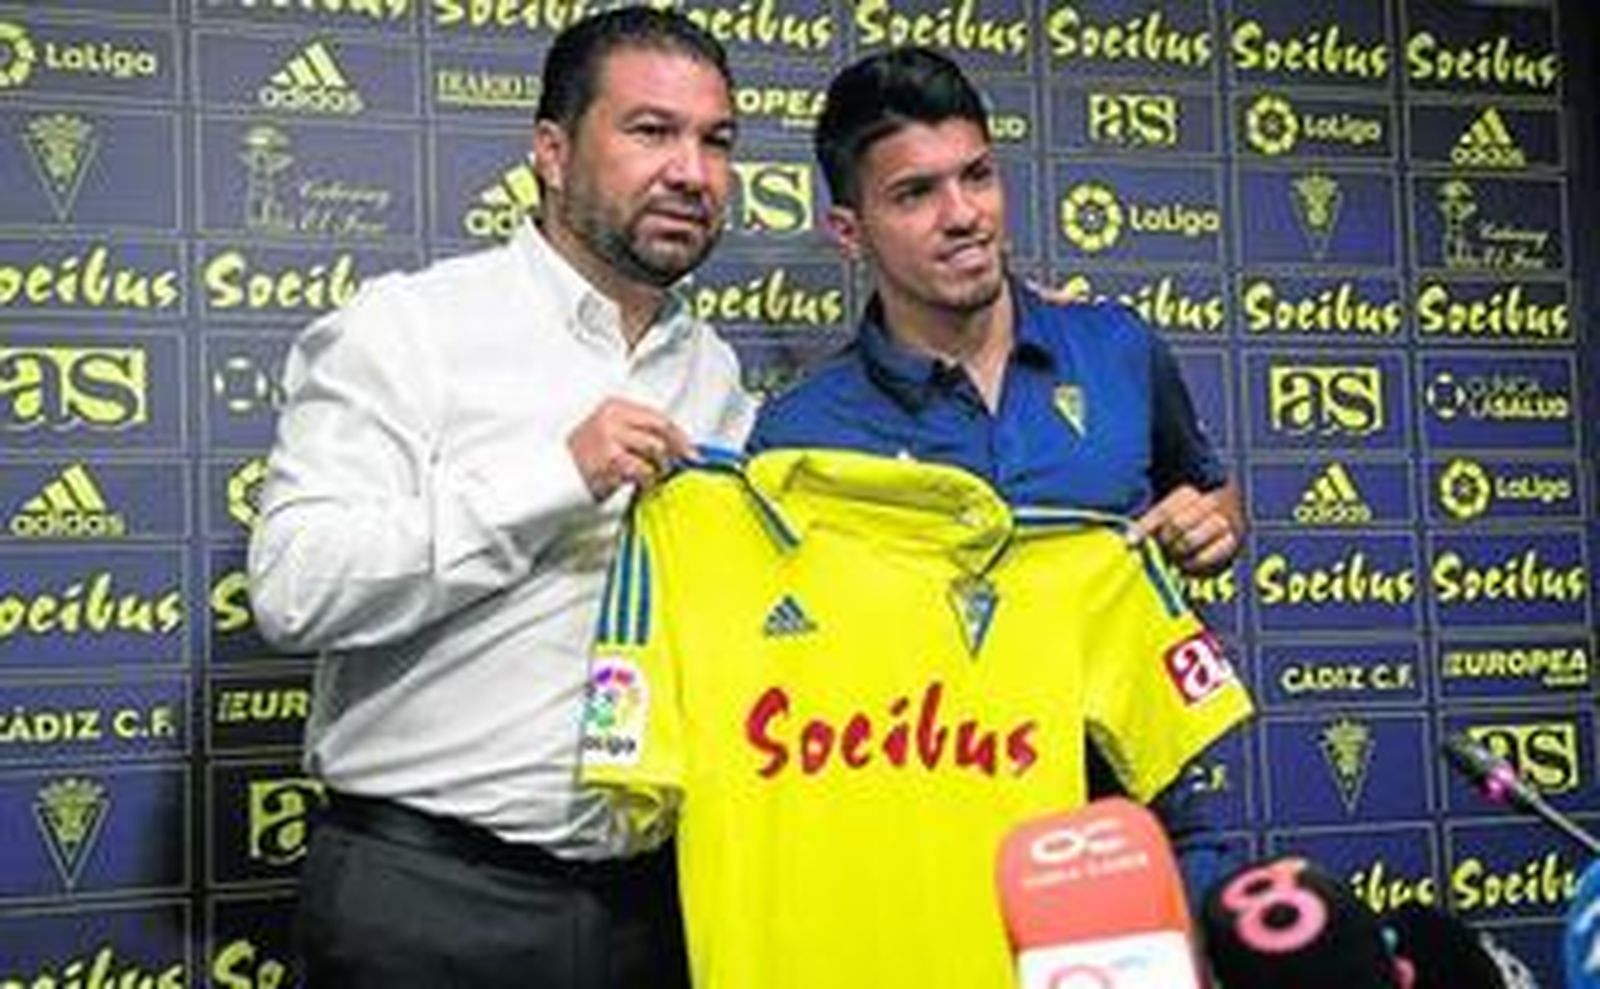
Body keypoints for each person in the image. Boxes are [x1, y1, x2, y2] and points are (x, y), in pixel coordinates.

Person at [246, 9, 752, 987]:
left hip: (655, 907)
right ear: (553, 153)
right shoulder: (409, 329)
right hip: (427, 900)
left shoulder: (717, 374)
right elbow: (293, 586)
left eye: (715, 140)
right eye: (651, 131)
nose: (691, 171)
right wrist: (555, 478)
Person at [746, 47, 1246, 896]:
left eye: (977, 176)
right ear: (847, 231)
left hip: (1136, 831)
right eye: (915, 193)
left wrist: (1214, 527)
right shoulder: (798, 433)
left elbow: (1210, 493)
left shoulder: (1118, 347)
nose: (963, 214)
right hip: (919, 849)